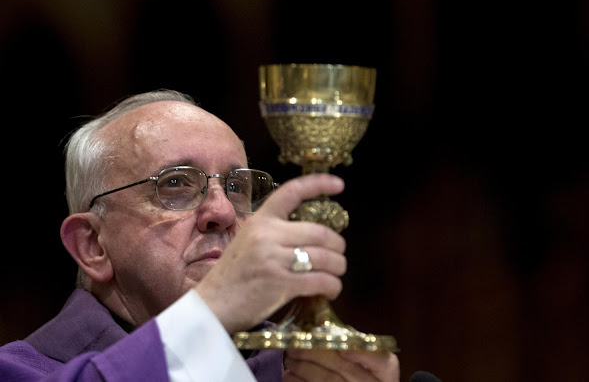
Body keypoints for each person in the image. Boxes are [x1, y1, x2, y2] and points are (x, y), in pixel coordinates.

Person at [0, 89, 400, 381]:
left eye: (236, 187)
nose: (223, 213)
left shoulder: (295, 366)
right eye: (174, 184)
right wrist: (212, 310)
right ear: (92, 245)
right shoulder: (19, 370)